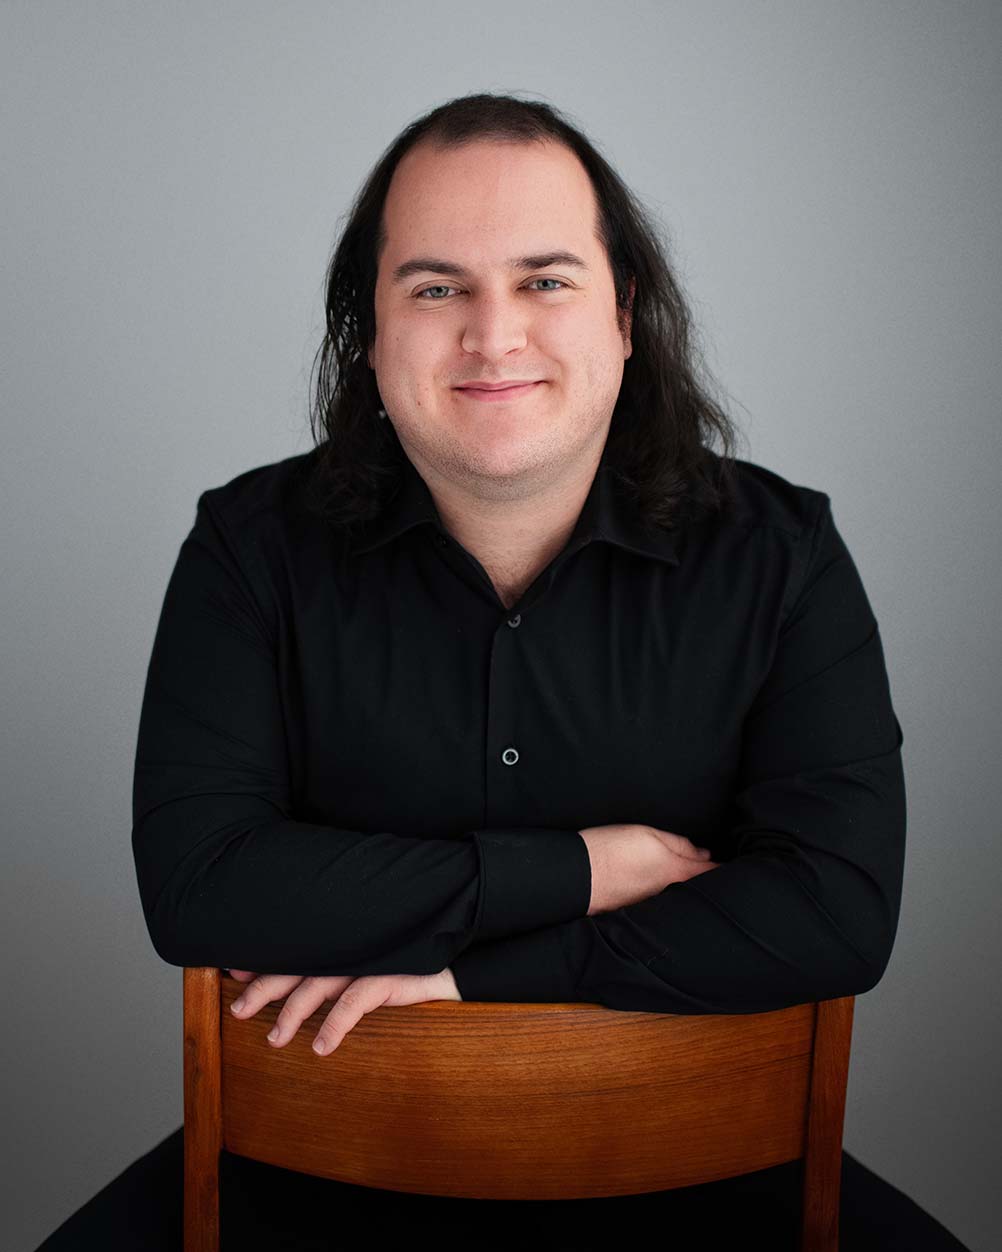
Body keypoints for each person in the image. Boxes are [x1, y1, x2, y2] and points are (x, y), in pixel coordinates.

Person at [38, 92, 970, 1251]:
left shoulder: (780, 556)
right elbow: (201, 887)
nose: (493, 335)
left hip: (713, 1188)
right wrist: (585, 870)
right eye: (437, 289)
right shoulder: (251, 548)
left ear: (623, 314)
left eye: (545, 280)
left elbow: (837, 912)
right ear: (369, 330)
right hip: (309, 1177)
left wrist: (478, 972)